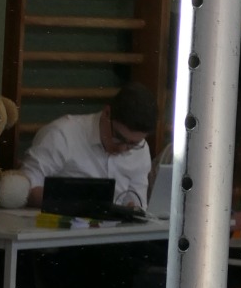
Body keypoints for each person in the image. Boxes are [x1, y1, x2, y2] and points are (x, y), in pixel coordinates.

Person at [21, 84, 156, 211]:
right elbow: (25, 189)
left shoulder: (142, 150)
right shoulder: (61, 134)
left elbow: (137, 204)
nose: (122, 149)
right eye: (118, 138)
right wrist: (77, 202)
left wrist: (132, 210)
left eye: (133, 144)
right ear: (107, 113)